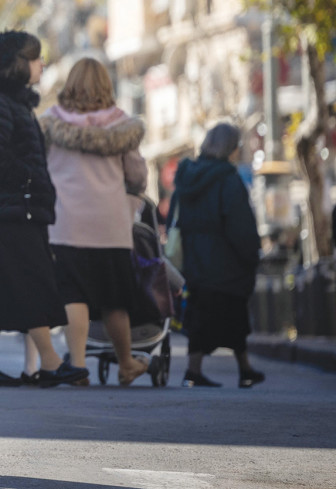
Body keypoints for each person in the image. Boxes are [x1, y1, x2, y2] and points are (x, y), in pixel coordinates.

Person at [0, 30, 87, 388]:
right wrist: (29, 181)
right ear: (19, 64)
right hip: (9, 211)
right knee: (34, 281)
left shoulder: (13, 103)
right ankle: (50, 361)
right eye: (35, 58)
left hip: (15, 209)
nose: (42, 64)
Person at [40, 57, 150, 386]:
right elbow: (137, 174)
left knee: (74, 295)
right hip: (110, 226)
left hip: (64, 223)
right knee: (115, 299)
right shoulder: (121, 126)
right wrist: (130, 201)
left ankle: (76, 366)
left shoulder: (49, 124)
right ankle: (127, 363)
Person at [171, 122, 264, 388]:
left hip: (195, 260)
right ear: (231, 148)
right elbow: (240, 224)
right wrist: (250, 255)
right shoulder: (227, 178)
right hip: (225, 261)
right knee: (234, 314)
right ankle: (241, 369)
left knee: (201, 315)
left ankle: (198, 369)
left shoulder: (187, 175)